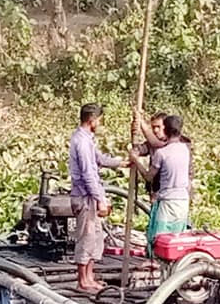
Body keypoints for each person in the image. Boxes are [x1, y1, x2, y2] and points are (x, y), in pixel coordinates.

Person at [69, 103, 126, 292]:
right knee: (86, 237)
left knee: (95, 238)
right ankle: (82, 280)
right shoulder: (82, 142)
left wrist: (121, 163)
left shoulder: (87, 139)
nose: (100, 123)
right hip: (85, 196)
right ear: (92, 120)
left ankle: (90, 277)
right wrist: (100, 198)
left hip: (91, 195)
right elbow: (88, 174)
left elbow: (99, 159)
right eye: (99, 120)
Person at [128, 115, 192, 251]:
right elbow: (149, 145)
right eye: (153, 128)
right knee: (176, 234)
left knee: (159, 236)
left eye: (159, 127)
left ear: (166, 129)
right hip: (181, 199)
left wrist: (136, 161)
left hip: (168, 200)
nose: (156, 131)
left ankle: (159, 263)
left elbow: (148, 176)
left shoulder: (163, 151)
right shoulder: (184, 148)